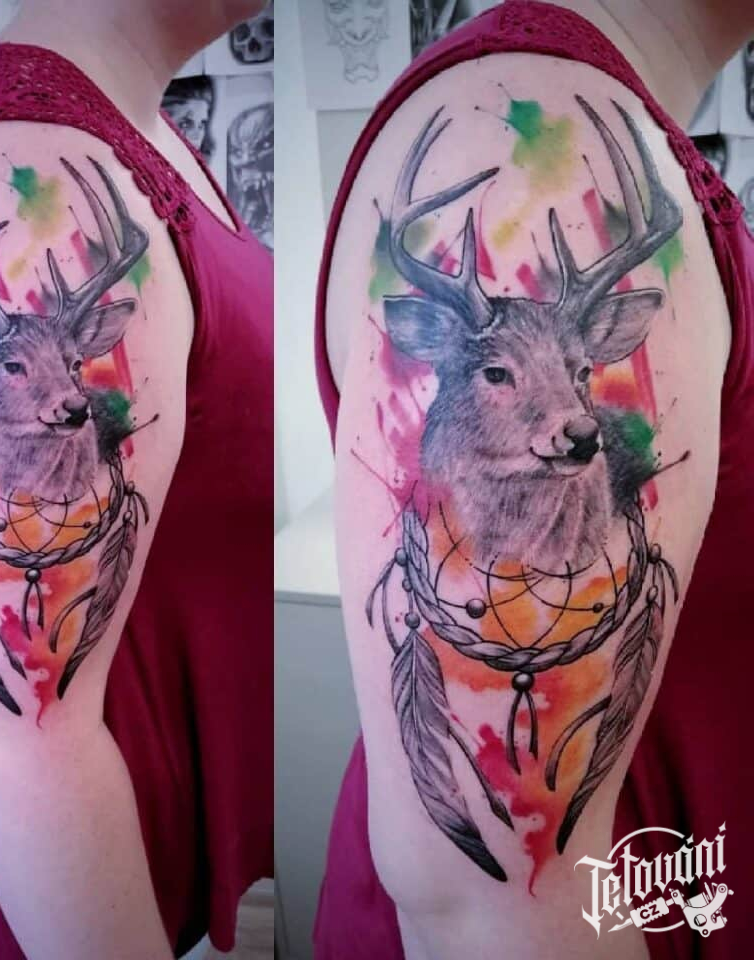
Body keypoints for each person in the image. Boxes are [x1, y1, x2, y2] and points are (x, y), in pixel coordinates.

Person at [314, 1, 754, 957]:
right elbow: (493, 904)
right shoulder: (528, 113)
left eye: (578, 377)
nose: (570, 413)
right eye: (504, 375)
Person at [0, 1, 272, 957]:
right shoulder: (27, 177)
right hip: (75, 836)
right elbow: (24, 717)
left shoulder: (128, 122)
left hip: (133, 772)